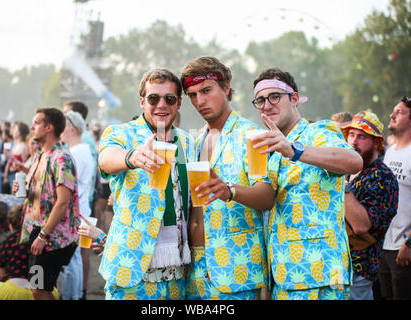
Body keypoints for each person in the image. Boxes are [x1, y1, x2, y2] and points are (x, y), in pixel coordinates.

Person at [250, 68, 363, 300]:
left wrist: (294, 150)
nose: (267, 105)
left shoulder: (318, 131)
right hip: (283, 278)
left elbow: (354, 161)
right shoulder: (269, 150)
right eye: (260, 100)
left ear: (294, 99)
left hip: (318, 275)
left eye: (274, 97)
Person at [180, 56, 274, 300]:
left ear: (226, 87)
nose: (200, 101)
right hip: (194, 268)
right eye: (192, 95)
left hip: (236, 268)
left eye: (206, 90)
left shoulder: (251, 135)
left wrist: (230, 190)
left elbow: (267, 196)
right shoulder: (195, 140)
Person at [98, 68, 194, 300]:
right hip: (131, 268)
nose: (161, 104)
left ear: (179, 103)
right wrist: (131, 157)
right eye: (153, 98)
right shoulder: (120, 133)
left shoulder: (189, 141)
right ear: (142, 101)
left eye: (169, 99)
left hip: (177, 272)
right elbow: (106, 159)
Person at [17, 107, 79, 300]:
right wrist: (23, 189)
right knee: (38, 287)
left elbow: (63, 202)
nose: (32, 126)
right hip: (38, 229)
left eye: (36, 123)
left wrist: (43, 236)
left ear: (49, 127)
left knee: (39, 289)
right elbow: (40, 194)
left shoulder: (62, 158)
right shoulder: (40, 155)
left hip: (53, 235)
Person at [341, 111, 398, 300]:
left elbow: (361, 226)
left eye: (362, 137)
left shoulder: (382, 176)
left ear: (376, 143)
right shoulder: (351, 170)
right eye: (351, 135)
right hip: (338, 266)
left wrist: (342, 184)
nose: (353, 141)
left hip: (358, 271)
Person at [379, 96, 411, 300]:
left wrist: (409, 243)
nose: (392, 115)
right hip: (384, 245)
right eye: (393, 111)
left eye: (399, 112)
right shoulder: (389, 152)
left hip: (404, 248)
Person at [60, 110, 95, 300]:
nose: (60, 132)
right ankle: (77, 295)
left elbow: (69, 186)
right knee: (76, 260)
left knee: (70, 261)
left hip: (75, 213)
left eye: (63, 127)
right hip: (82, 211)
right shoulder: (82, 150)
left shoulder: (75, 152)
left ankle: (71, 297)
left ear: (71, 129)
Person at [0, 205, 59, 300]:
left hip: (12, 292)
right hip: (41, 292)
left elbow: (2, 275)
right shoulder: (40, 241)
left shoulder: (6, 243)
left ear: (11, 225)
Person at [3, 121, 30, 189]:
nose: (13, 131)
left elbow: (25, 164)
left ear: (20, 132)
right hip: (11, 174)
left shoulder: (24, 146)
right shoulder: (16, 145)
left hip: (18, 175)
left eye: (15, 129)